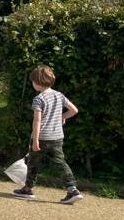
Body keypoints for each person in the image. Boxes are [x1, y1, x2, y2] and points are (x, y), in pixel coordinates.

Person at [13, 65, 81, 204]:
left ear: (37, 83)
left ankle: (28, 189)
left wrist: (35, 140)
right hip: (57, 137)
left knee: (33, 163)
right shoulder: (59, 95)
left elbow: (37, 120)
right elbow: (74, 110)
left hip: (42, 137)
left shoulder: (38, 99)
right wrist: (63, 117)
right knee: (60, 163)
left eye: (33, 81)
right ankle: (72, 190)